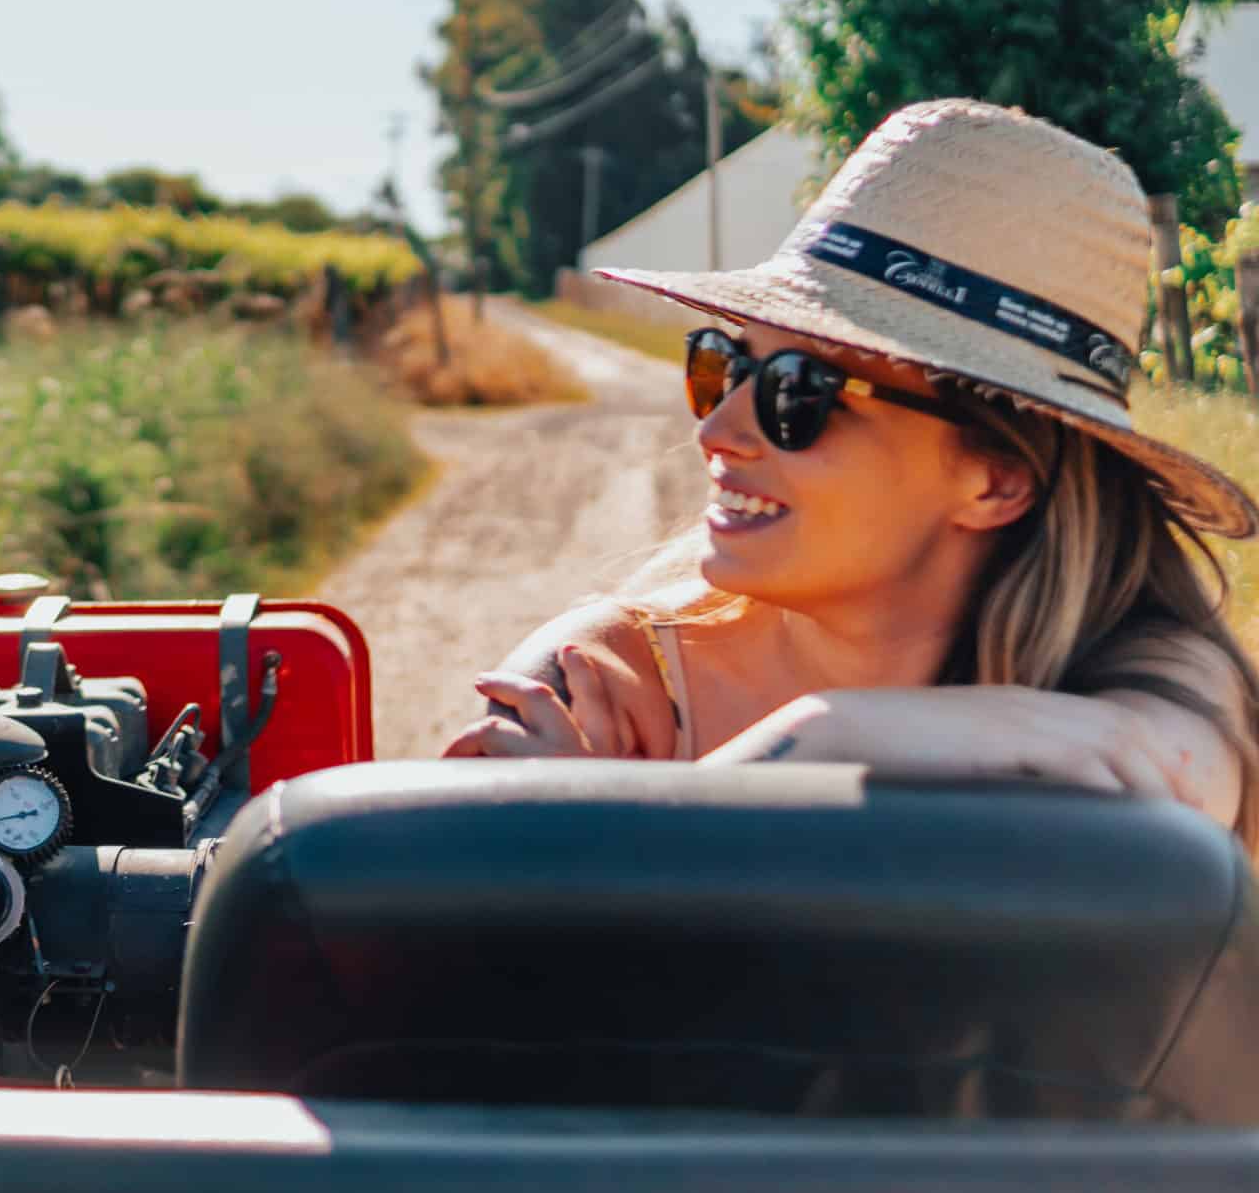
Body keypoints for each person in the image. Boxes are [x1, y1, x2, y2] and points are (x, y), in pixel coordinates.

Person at [445, 98, 1259, 847]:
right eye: (724, 365)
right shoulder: (607, 685)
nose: (717, 430)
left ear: (998, 479)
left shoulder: (1151, 672)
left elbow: (1188, 771)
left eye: (800, 391)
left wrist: (813, 738)